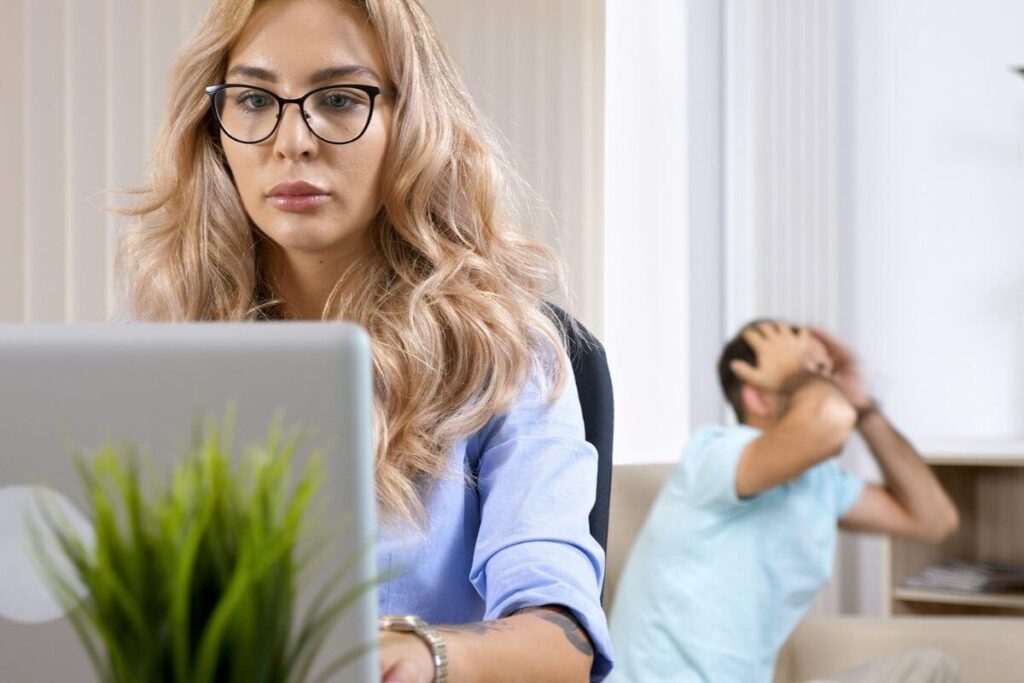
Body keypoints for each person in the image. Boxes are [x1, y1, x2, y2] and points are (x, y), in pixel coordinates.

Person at [116, 0, 612, 680]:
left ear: (412, 123)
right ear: (215, 129)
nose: (292, 140)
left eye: (341, 98)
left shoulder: (509, 352)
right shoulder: (155, 353)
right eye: (255, 99)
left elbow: (564, 643)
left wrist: (429, 656)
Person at [608, 321, 961, 683]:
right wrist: (810, 382)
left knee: (929, 670)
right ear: (757, 397)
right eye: (811, 372)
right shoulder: (714, 455)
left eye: (827, 375)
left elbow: (933, 520)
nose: (829, 387)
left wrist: (864, 408)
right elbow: (830, 421)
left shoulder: (821, 482)